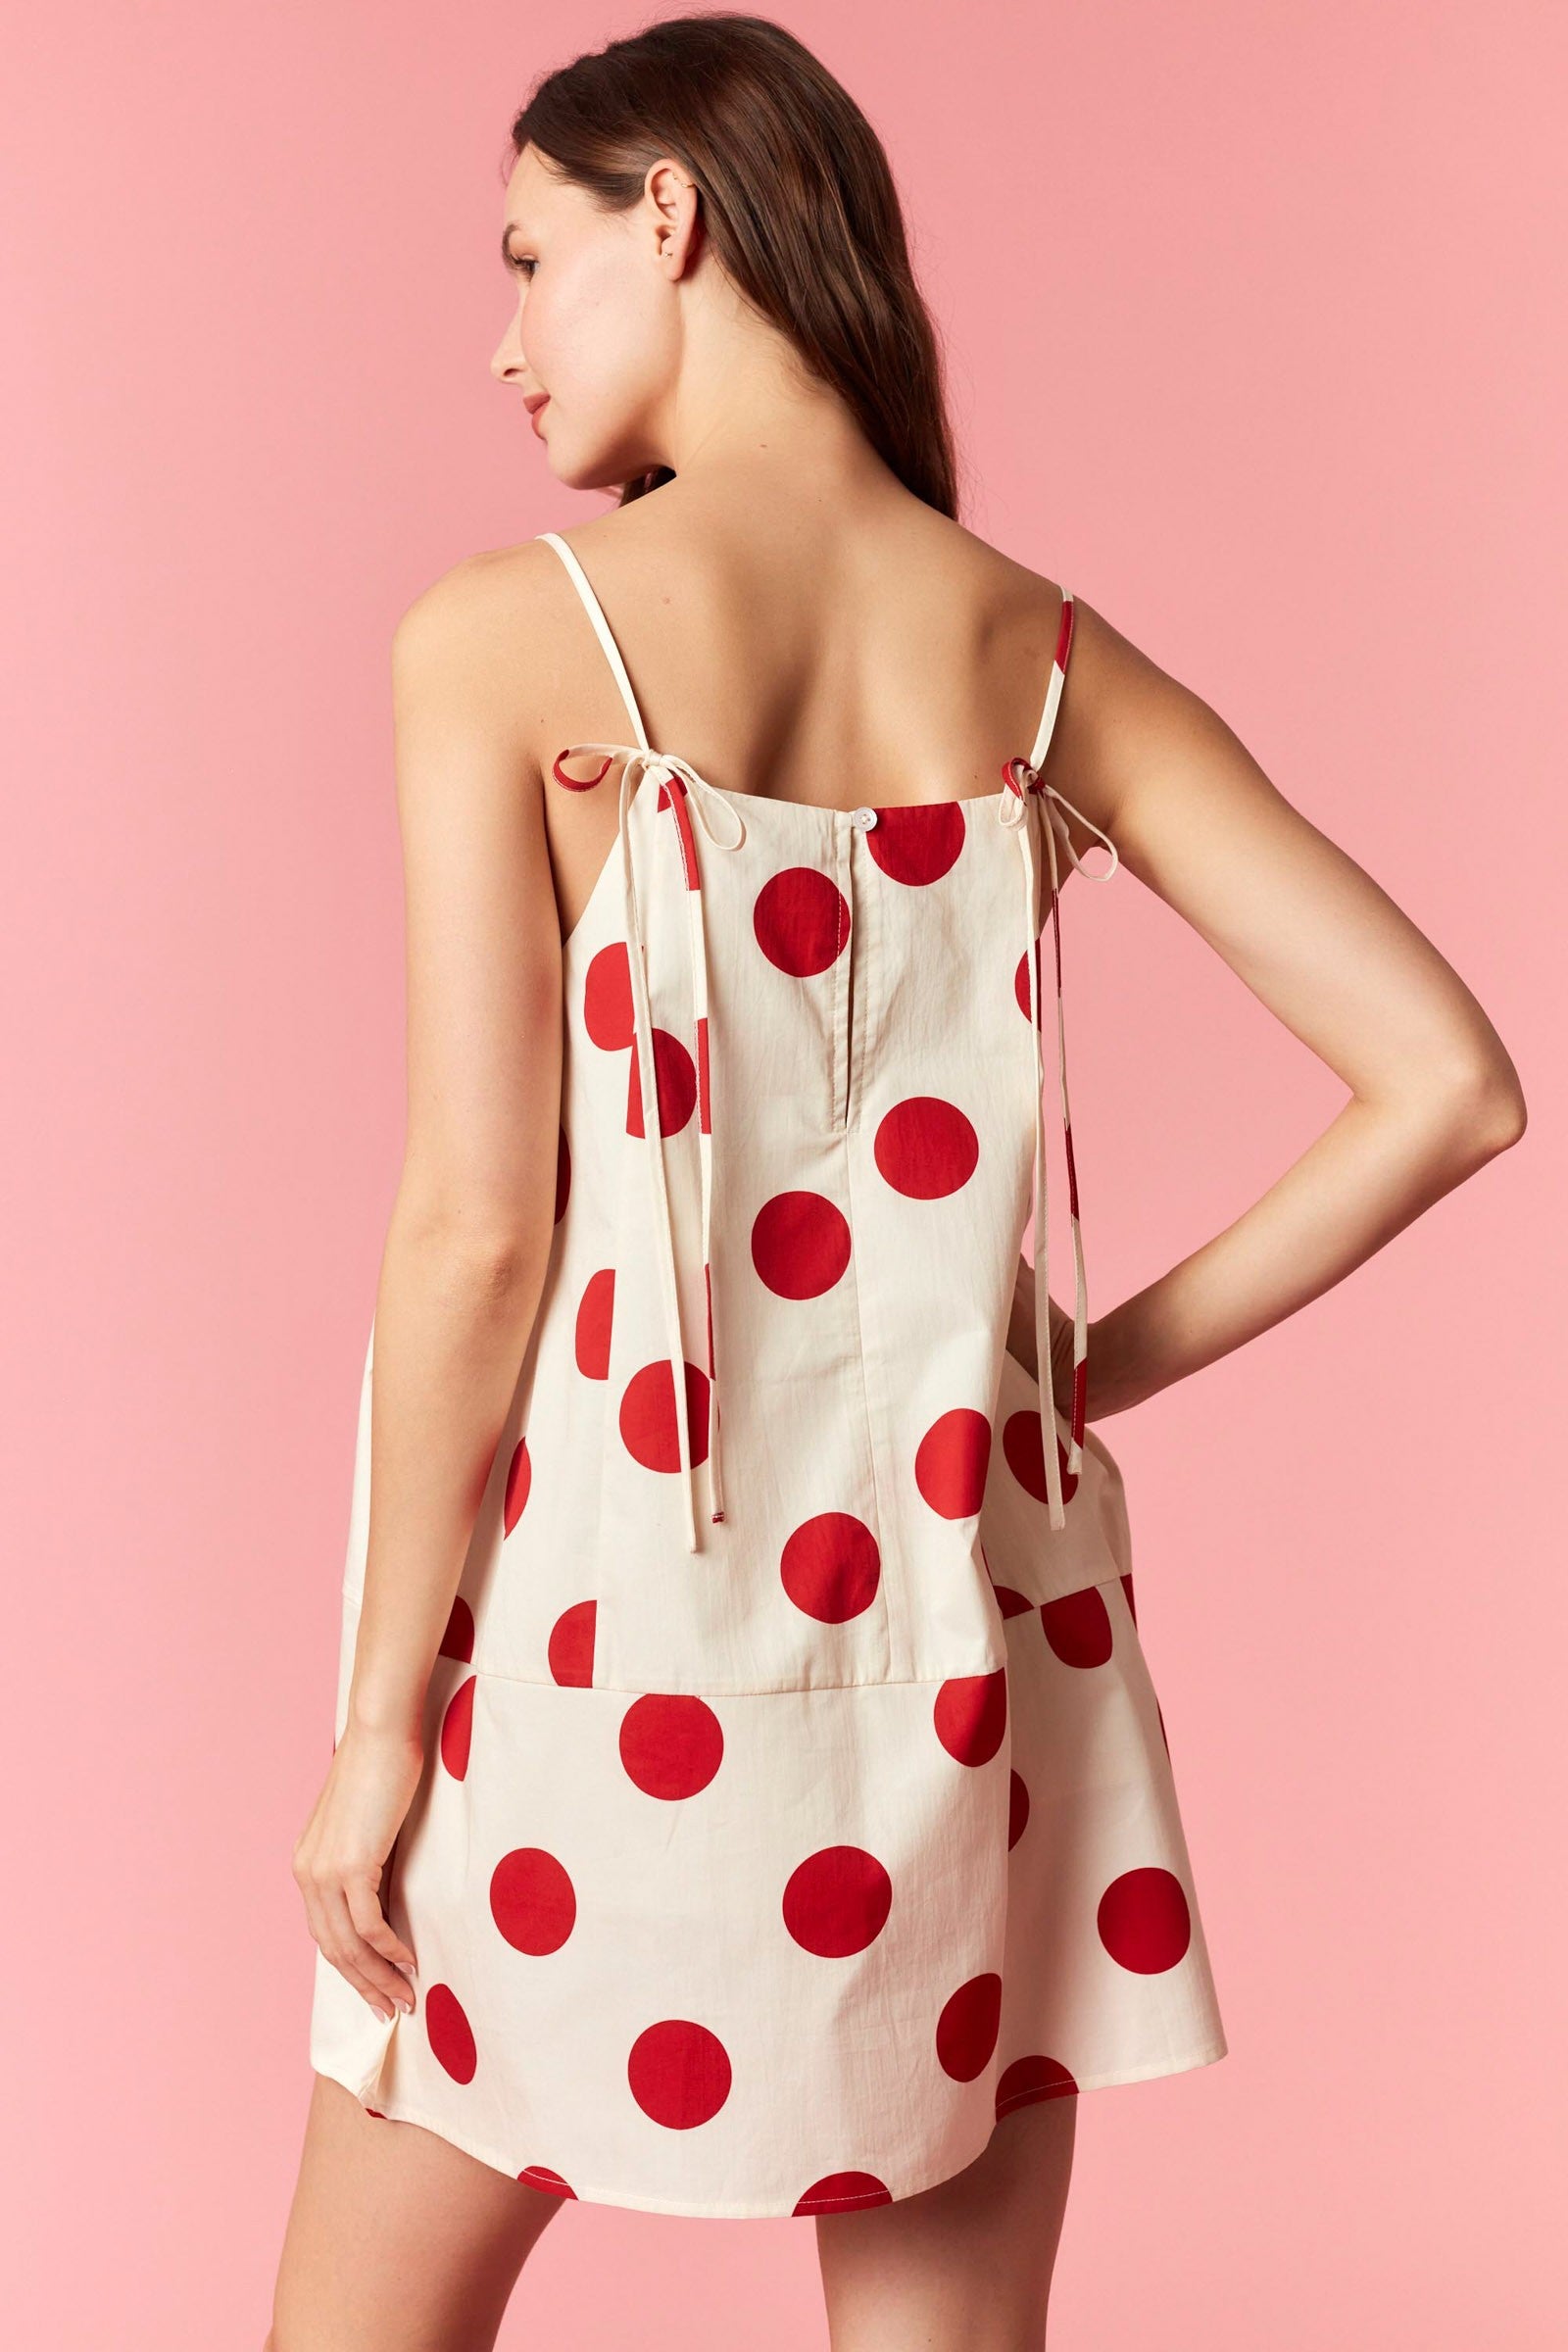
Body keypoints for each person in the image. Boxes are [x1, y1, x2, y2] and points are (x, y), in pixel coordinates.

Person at [266, 16, 1527, 2350]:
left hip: (606, 1645)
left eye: (529, 258)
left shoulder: (508, 640)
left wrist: (370, 1736)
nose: (503, 341)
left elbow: (477, 1233)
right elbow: (1444, 1084)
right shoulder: (1039, 662)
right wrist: (1076, 1369)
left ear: (670, 214)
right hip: (973, 1639)